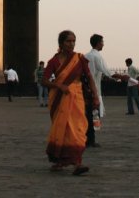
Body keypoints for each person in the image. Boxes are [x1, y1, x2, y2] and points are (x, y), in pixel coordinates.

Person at [42, 30, 99, 175]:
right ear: (61, 43)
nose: (72, 44)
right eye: (68, 41)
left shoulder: (79, 59)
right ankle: (66, 161)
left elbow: (89, 77)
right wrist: (58, 85)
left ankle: (76, 162)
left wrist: (96, 96)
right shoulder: (54, 61)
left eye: (73, 41)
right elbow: (44, 80)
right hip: (60, 98)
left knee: (78, 129)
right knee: (63, 129)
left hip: (76, 98)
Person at [83, 34, 123, 148]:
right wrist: (123, 77)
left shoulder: (86, 56)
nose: (103, 44)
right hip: (95, 89)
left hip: (86, 89)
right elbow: (108, 73)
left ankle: (87, 138)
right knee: (95, 115)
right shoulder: (97, 57)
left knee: (88, 115)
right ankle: (91, 140)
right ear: (98, 43)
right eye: (102, 42)